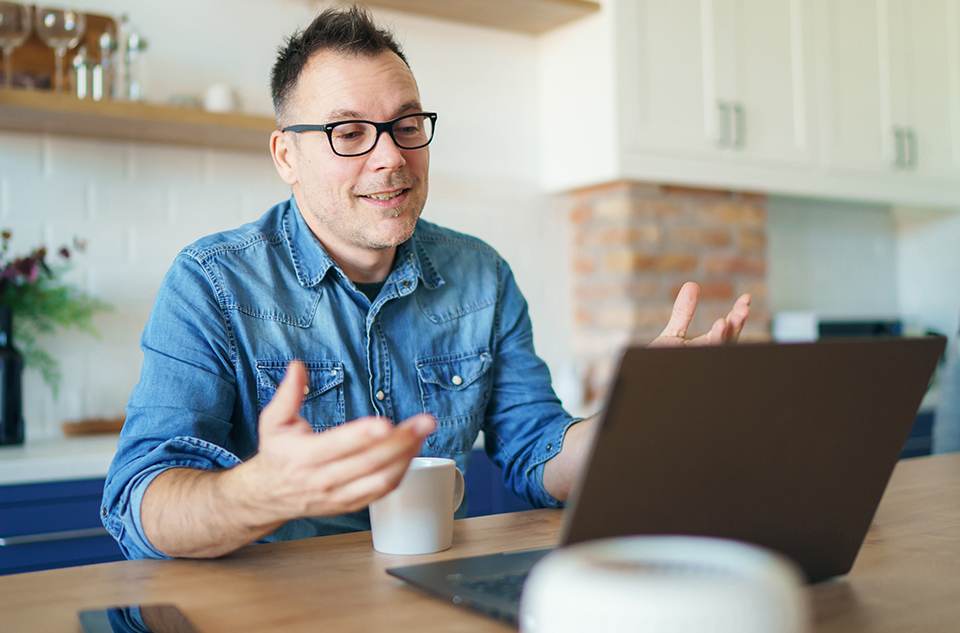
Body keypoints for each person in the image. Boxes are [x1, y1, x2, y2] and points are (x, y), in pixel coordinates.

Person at [101, 6, 751, 560]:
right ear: (286, 156)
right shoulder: (212, 283)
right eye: (348, 132)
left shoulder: (480, 275)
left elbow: (535, 450)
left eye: (406, 126)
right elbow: (138, 500)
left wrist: (633, 421)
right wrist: (263, 490)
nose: (390, 157)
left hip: (437, 596)